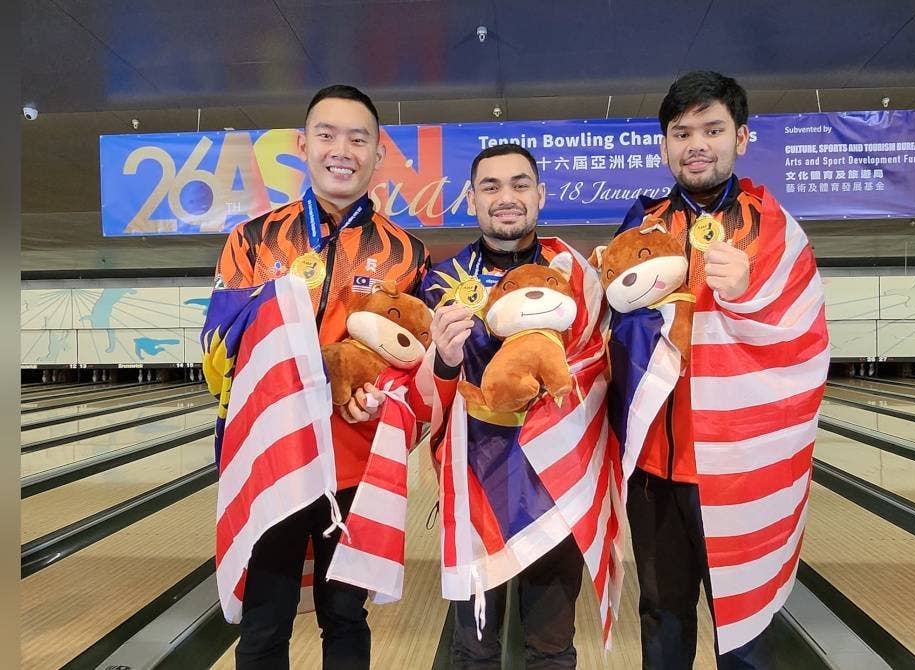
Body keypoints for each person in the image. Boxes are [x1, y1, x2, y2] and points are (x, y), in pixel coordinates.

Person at [606, 71, 830, 669]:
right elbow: (616, 326)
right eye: (681, 133)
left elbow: (803, 337)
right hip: (655, 466)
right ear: (664, 145)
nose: (696, 144)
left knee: (745, 624)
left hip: (738, 468)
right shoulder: (642, 222)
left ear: (743, 137)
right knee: (661, 616)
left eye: (712, 129)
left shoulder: (773, 227)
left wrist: (748, 292)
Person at [205, 84, 430, 670]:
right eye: (327, 135)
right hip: (273, 459)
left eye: (359, 139)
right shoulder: (252, 241)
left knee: (345, 617)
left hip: (355, 461)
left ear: (380, 153)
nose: (342, 150)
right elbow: (217, 347)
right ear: (303, 144)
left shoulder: (408, 252)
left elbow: (418, 359)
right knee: (265, 619)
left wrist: (387, 398)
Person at [418, 144, 611, 668]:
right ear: (472, 200)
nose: (507, 198)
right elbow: (418, 400)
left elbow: (600, 368)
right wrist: (445, 361)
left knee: (551, 648)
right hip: (477, 488)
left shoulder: (577, 276)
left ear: (541, 195)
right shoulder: (440, 281)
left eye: (520, 185)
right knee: (473, 651)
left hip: (556, 488)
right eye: (491, 187)